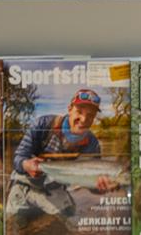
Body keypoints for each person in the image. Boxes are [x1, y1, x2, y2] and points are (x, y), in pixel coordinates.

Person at [6, 89, 116, 222]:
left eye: (90, 115)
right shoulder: (42, 124)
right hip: (25, 183)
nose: (84, 119)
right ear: (70, 109)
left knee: (68, 218)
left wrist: (100, 188)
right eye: (79, 112)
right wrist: (27, 164)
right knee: (15, 222)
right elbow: (18, 158)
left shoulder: (92, 144)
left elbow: (89, 184)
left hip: (53, 187)